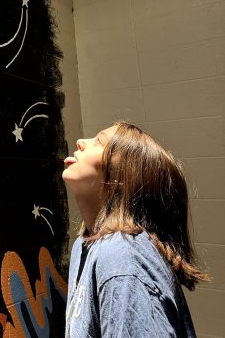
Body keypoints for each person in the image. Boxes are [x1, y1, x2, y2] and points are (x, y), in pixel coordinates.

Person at [62, 121, 209, 337]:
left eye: (99, 141)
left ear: (121, 177)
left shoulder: (122, 257)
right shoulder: (82, 246)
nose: (81, 142)